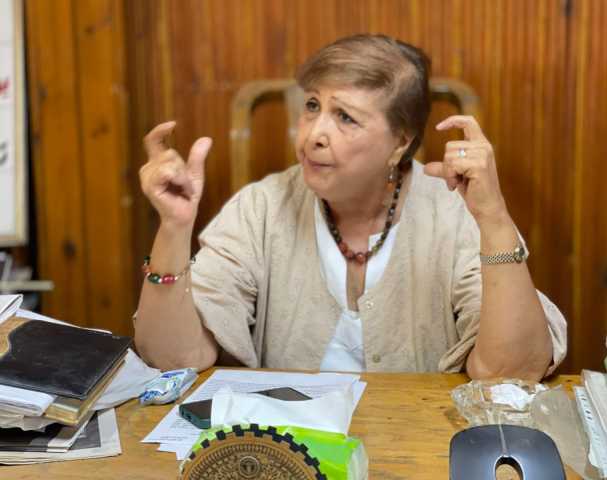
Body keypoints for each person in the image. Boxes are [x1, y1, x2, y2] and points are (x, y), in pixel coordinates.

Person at [134, 34, 566, 381]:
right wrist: (173, 228)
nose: (313, 135)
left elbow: (513, 372)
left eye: (345, 117)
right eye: (312, 106)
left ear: (400, 142)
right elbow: (175, 358)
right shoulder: (262, 207)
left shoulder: (452, 213)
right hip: (287, 449)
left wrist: (494, 219)